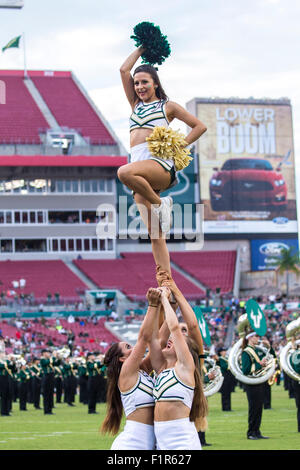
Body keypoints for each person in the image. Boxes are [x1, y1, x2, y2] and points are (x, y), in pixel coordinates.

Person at [118, 46, 207, 275]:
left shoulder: (167, 106)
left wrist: (180, 145)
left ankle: (160, 204)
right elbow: (123, 69)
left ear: (155, 83)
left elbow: (200, 126)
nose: (139, 87)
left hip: (160, 166)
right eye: (136, 83)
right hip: (141, 171)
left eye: (144, 82)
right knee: (155, 233)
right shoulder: (135, 105)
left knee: (124, 173)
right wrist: (142, 47)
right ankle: (166, 280)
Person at [101, 288, 161, 450]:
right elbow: (144, 338)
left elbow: (159, 342)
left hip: (150, 443)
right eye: (128, 347)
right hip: (132, 446)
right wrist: (152, 305)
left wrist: (171, 307)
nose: (133, 348)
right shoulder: (126, 373)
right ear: (122, 358)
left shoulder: (141, 371)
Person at [150, 286, 208, 450]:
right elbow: (153, 339)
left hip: (182, 441)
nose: (170, 340)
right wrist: (155, 306)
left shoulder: (185, 368)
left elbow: (175, 328)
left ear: (185, 352)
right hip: (160, 441)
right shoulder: (161, 368)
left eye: (175, 342)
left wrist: (164, 299)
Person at [241, 332, 273, 440]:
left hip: (259, 381)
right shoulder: (246, 352)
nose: (258, 338)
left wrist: (269, 347)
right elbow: (245, 370)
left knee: (259, 408)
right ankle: (251, 432)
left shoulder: (256, 350)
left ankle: (257, 431)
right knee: (254, 408)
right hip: (251, 383)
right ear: (250, 337)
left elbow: (272, 357)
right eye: (256, 336)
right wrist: (260, 364)